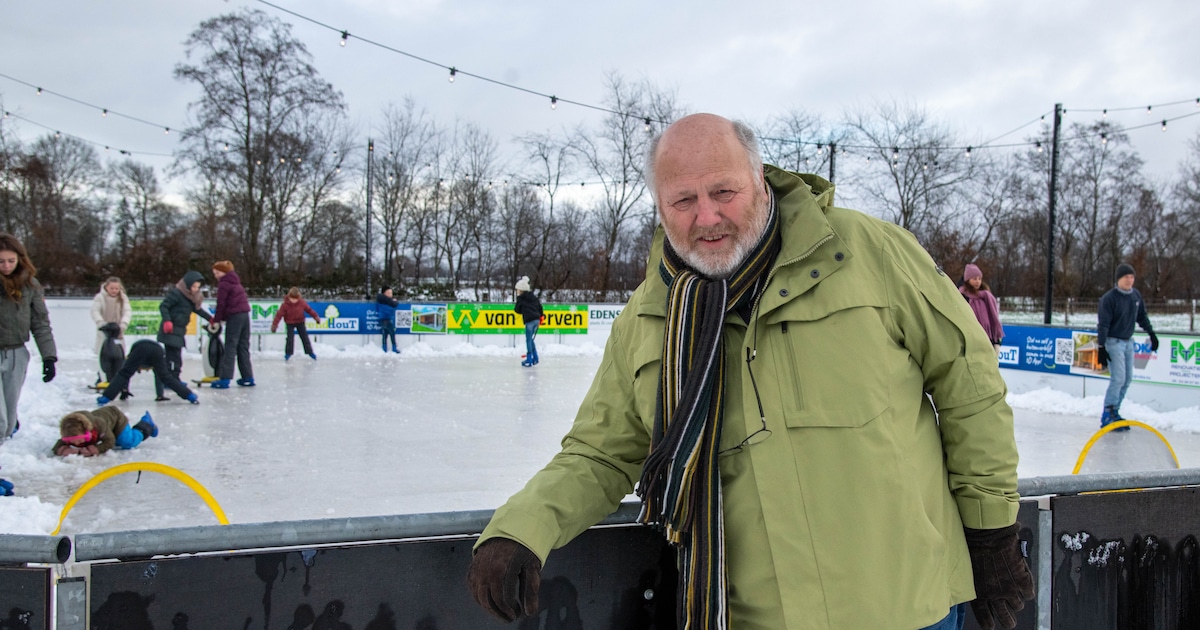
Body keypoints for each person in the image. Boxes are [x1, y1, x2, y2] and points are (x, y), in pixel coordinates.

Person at [467, 114, 1032, 630]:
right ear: (659, 206)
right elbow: (600, 451)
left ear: (760, 179)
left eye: (723, 191)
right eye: (682, 199)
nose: (706, 216)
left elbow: (969, 386)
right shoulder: (647, 316)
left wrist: (991, 532)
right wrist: (524, 528)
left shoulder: (868, 253)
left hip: (905, 608)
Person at [0, 233, 57, 497]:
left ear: (20, 260)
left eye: (10, 261)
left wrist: (49, 357)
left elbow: (40, 323)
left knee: (8, 423)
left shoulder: (31, 286)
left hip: (16, 355)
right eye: (1, 261)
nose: (6, 266)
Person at [1097, 263, 1158, 429]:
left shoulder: (1135, 296)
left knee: (1127, 378)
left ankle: (1115, 411)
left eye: (1132, 277)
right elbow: (1103, 324)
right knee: (1118, 378)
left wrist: (1151, 333)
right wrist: (1101, 346)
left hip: (1128, 342)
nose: (1129, 280)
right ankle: (1107, 413)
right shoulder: (1109, 298)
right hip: (1113, 342)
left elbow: (1141, 316)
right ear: (1118, 279)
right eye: (1126, 277)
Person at [158, 271, 213, 400]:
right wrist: (167, 321)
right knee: (173, 357)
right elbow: (163, 306)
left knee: (176, 357)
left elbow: (198, 310)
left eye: (198, 287)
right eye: (194, 286)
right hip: (170, 329)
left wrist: (210, 319)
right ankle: (171, 380)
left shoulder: (191, 298)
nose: (196, 289)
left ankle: (173, 379)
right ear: (187, 284)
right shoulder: (177, 294)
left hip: (179, 330)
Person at [97, 339, 199, 406]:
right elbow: (160, 377)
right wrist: (160, 395)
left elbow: (124, 375)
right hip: (158, 349)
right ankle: (190, 395)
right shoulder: (153, 360)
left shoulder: (133, 355)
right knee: (166, 376)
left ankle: (106, 397)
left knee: (125, 373)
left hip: (140, 348)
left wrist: (124, 390)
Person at [210, 261, 254, 388]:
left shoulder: (224, 283)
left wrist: (217, 320)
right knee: (243, 346)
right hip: (244, 315)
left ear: (224, 272)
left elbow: (221, 304)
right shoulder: (236, 282)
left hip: (235, 317)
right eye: (214, 273)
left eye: (217, 273)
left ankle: (225, 378)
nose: (216, 276)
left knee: (230, 345)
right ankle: (248, 377)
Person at [52, 407, 158, 457]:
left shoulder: (99, 426)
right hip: (104, 422)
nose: (76, 444)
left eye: (79, 440)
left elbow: (110, 441)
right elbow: (58, 445)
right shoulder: (70, 432)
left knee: (127, 442)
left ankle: (147, 425)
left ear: (88, 432)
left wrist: (97, 449)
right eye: (72, 442)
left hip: (116, 419)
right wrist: (62, 450)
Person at [960, 263, 1004, 355]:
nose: (978, 281)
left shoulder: (987, 296)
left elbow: (993, 319)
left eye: (979, 278)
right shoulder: (962, 296)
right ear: (967, 280)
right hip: (970, 339)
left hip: (988, 338)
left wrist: (996, 342)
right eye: (974, 279)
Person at [90, 276, 132, 369]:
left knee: (118, 356)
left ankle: (117, 374)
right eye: (112, 288)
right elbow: (95, 311)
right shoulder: (100, 297)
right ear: (106, 287)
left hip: (118, 331)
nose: (114, 290)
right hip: (104, 331)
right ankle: (103, 374)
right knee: (103, 356)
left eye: (116, 288)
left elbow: (127, 312)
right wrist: (100, 322)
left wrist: (124, 324)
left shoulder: (123, 298)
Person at [271, 287, 321, 360]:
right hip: (290, 323)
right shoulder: (285, 305)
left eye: (295, 299)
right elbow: (279, 315)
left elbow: (309, 310)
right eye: (292, 298)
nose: (294, 300)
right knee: (290, 338)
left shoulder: (302, 303)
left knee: (304, 337)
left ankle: (310, 352)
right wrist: (274, 325)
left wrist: (316, 317)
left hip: (300, 322)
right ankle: (288, 353)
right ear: (289, 297)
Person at [513, 276, 543, 367]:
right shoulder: (533, 297)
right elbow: (540, 307)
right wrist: (541, 315)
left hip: (529, 320)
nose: (517, 291)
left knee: (528, 340)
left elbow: (517, 310)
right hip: (536, 319)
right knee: (531, 339)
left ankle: (529, 359)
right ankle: (535, 357)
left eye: (518, 290)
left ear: (521, 290)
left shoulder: (521, 299)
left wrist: (523, 310)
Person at [375, 286, 400, 353]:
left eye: (391, 293)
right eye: (388, 293)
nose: (390, 294)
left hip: (382, 319)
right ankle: (394, 348)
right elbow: (393, 306)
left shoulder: (381, 300)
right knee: (392, 333)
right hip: (387, 319)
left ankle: (384, 348)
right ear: (384, 293)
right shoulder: (387, 301)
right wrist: (394, 301)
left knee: (385, 334)